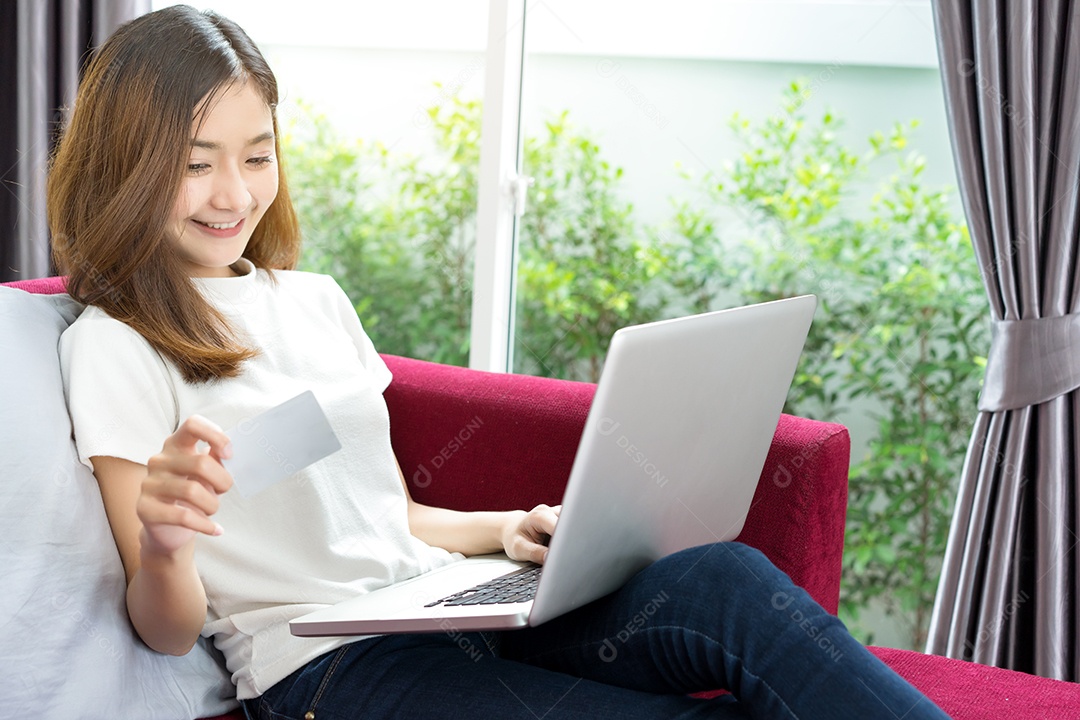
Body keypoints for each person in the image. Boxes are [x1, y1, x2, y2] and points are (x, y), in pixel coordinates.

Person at [51, 6, 949, 719]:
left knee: (728, 581)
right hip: (322, 669)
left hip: (439, 603)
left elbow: (387, 512)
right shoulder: (115, 343)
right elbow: (164, 629)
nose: (236, 193)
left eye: (257, 155)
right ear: (127, 165)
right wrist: (167, 543)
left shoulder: (313, 299)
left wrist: (507, 529)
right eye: (197, 164)